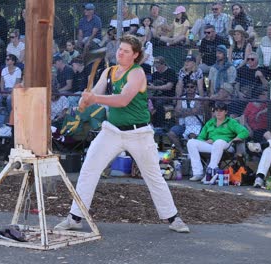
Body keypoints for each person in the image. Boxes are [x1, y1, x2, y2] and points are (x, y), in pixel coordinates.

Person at [55, 34, 190, 233]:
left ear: (135, 55)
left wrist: (94, 98)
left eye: (126, 51)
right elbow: (95, 95)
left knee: (153, 175)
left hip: (139, 133)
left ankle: (173, 218)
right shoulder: (109, 72)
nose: (120, 53)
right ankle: (75, 217)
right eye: (120, 49)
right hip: (111, 131)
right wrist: (84, 101)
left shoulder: (137, 74)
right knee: (89, 168)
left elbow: (122, 100)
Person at [187, 101, 249, 181]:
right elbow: (200, 137)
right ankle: (198, 173)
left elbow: (245, 132)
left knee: (218, 142)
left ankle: (211, 172)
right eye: (216, 110)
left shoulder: (231, 122)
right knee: (191, 142)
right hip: (212, 147)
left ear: (226, 112)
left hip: (226, 147)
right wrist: (205, 142)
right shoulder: (210, 123)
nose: (218, 113)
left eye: (221, 111)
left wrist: (234, 140)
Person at [168, 80, 203, 153]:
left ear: (195, 88)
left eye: (191, 87)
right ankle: (182, 152)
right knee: (171, 133)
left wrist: (182, 111)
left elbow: (196, 111)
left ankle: (192, 155)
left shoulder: (199, 98)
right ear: (185, 88)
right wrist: (190, 111)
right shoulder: (181, 98)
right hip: (183, 125)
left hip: (195, 124)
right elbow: (176, 113)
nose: (189, 88)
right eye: (187, 87)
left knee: (192, 137)